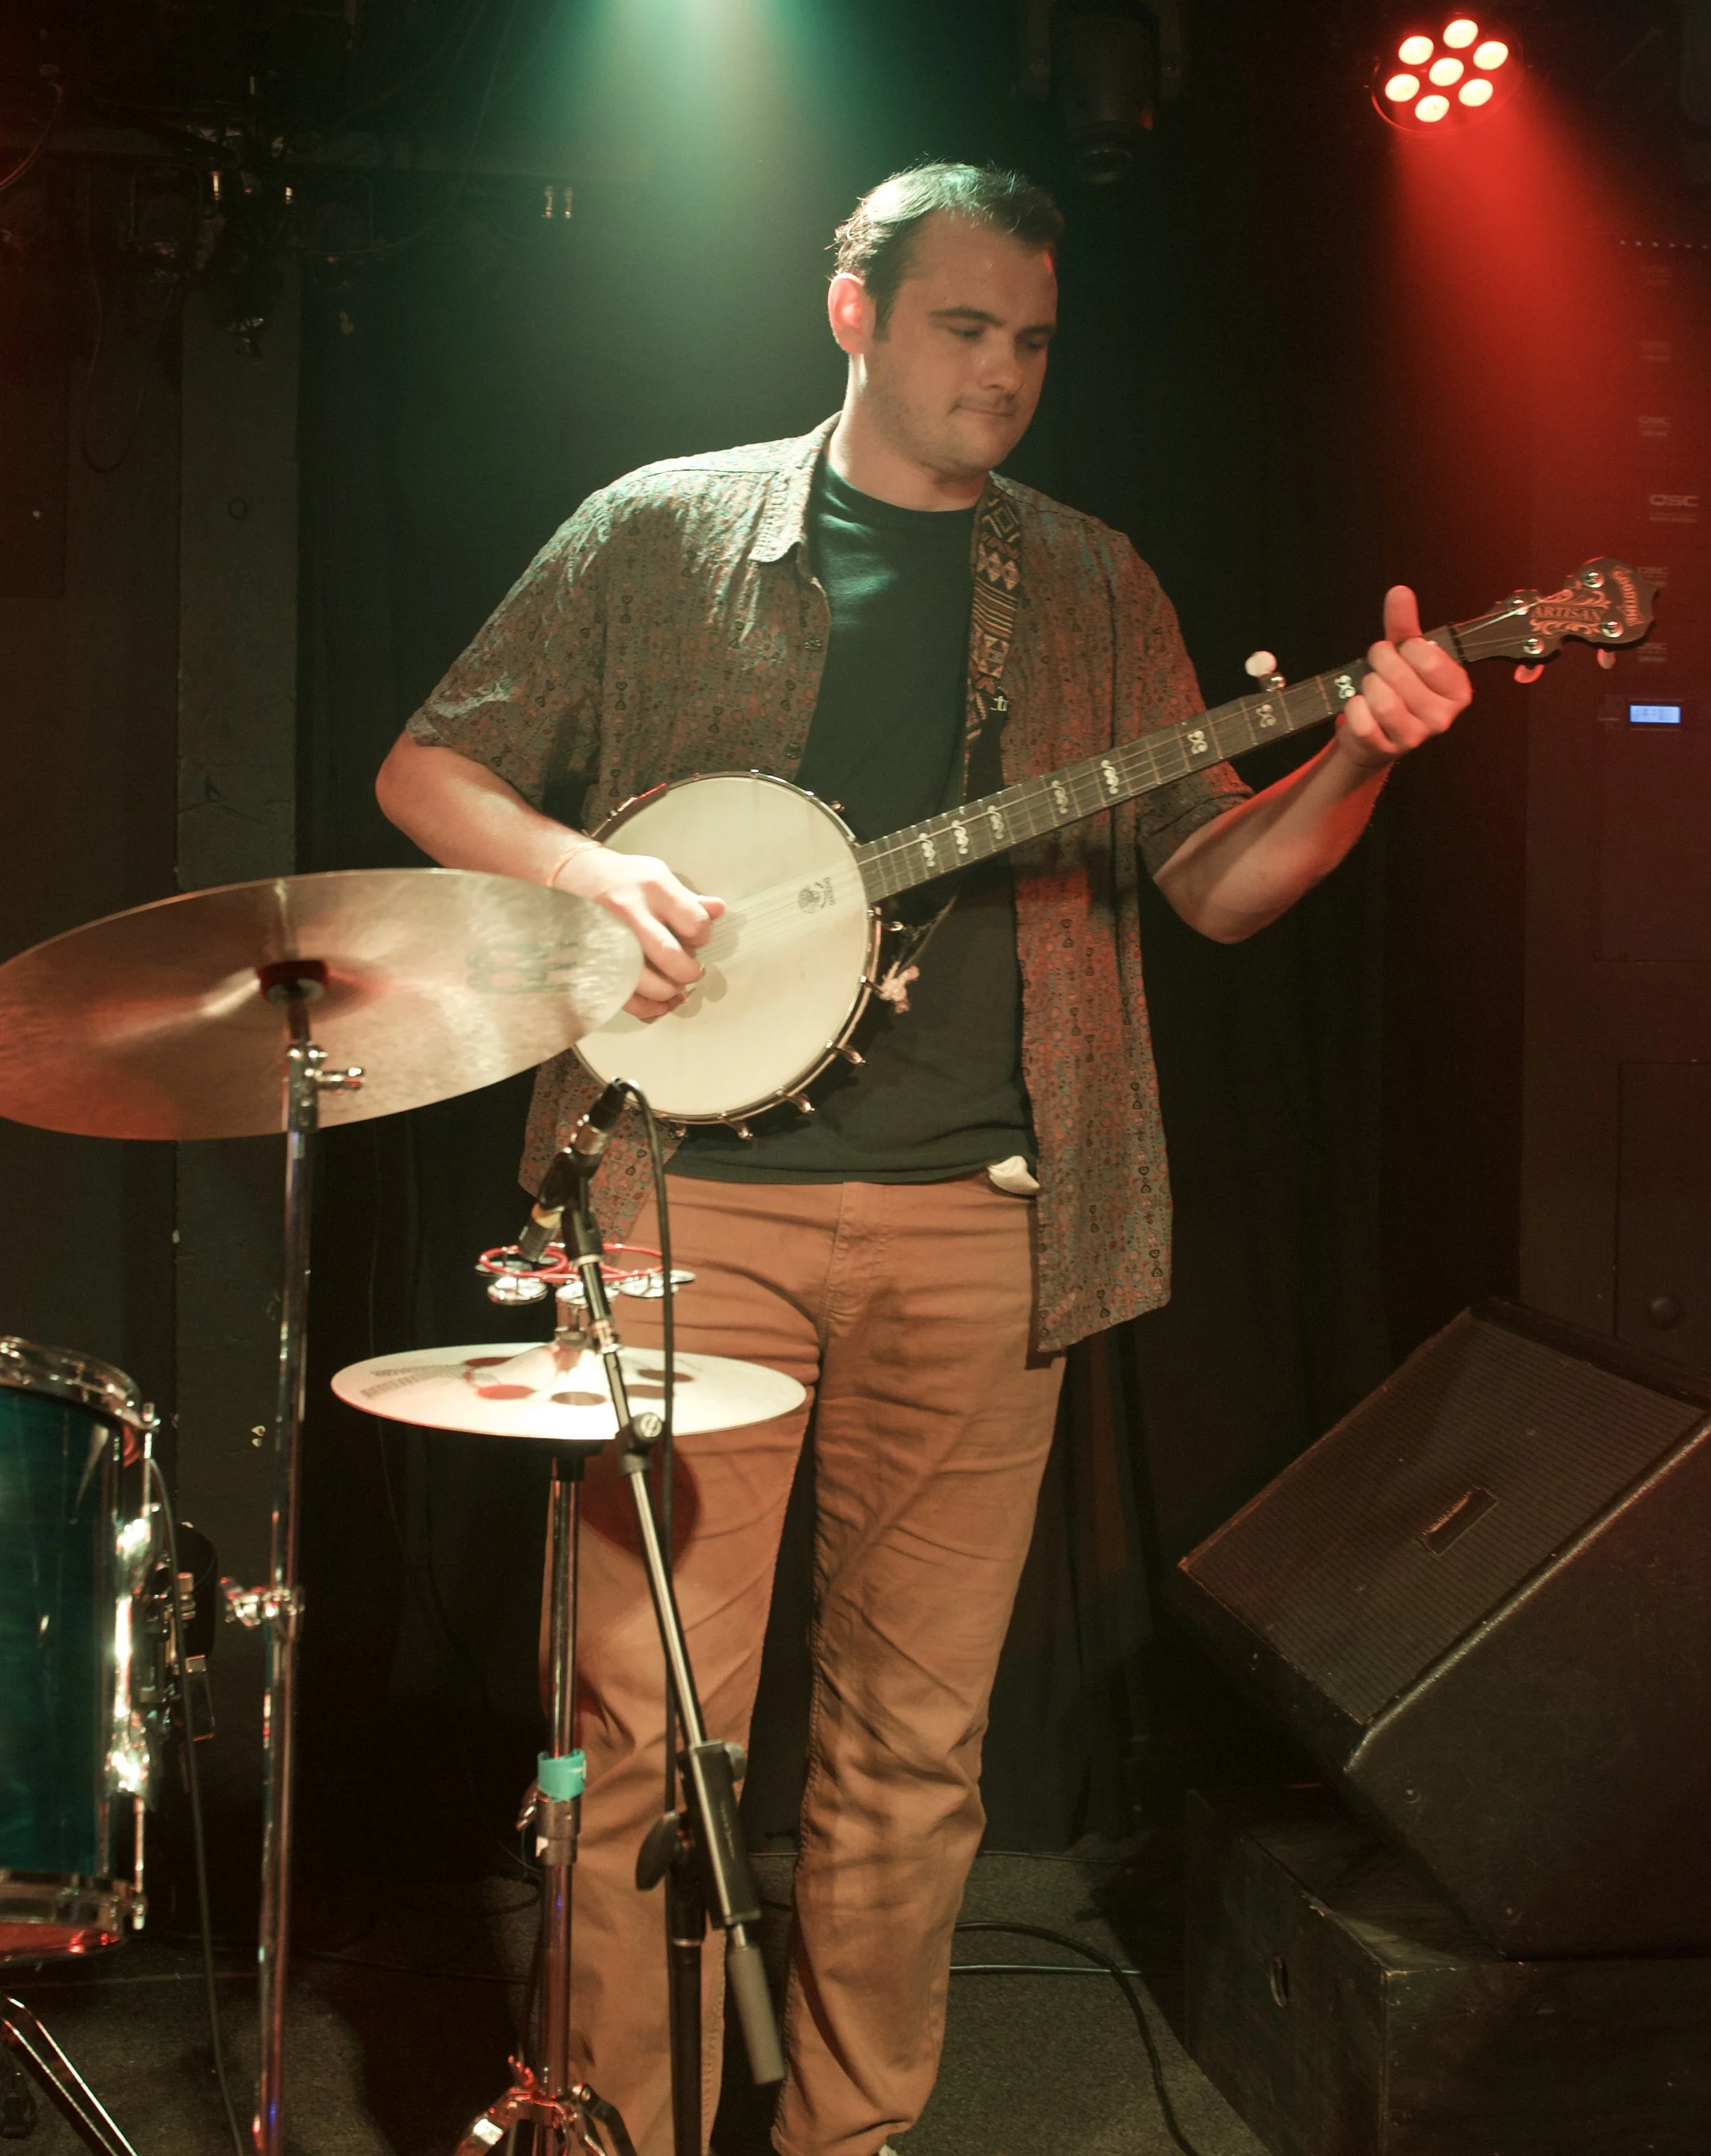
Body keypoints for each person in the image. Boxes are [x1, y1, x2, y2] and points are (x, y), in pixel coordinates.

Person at [376, 161, 1471, 2156]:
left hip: (986, 1225)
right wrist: (586, 869)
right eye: (965, 327)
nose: (1005, 374)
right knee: (640, 1737)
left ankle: (846, 2135)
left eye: (1034, 339)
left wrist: (1364, 752)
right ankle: (611, 2126)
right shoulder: (660, 531)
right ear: (852, 311)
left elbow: (1215, 886)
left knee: (911, 1749)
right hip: (681, 1200)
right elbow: (428, 763)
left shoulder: (1093, 582)